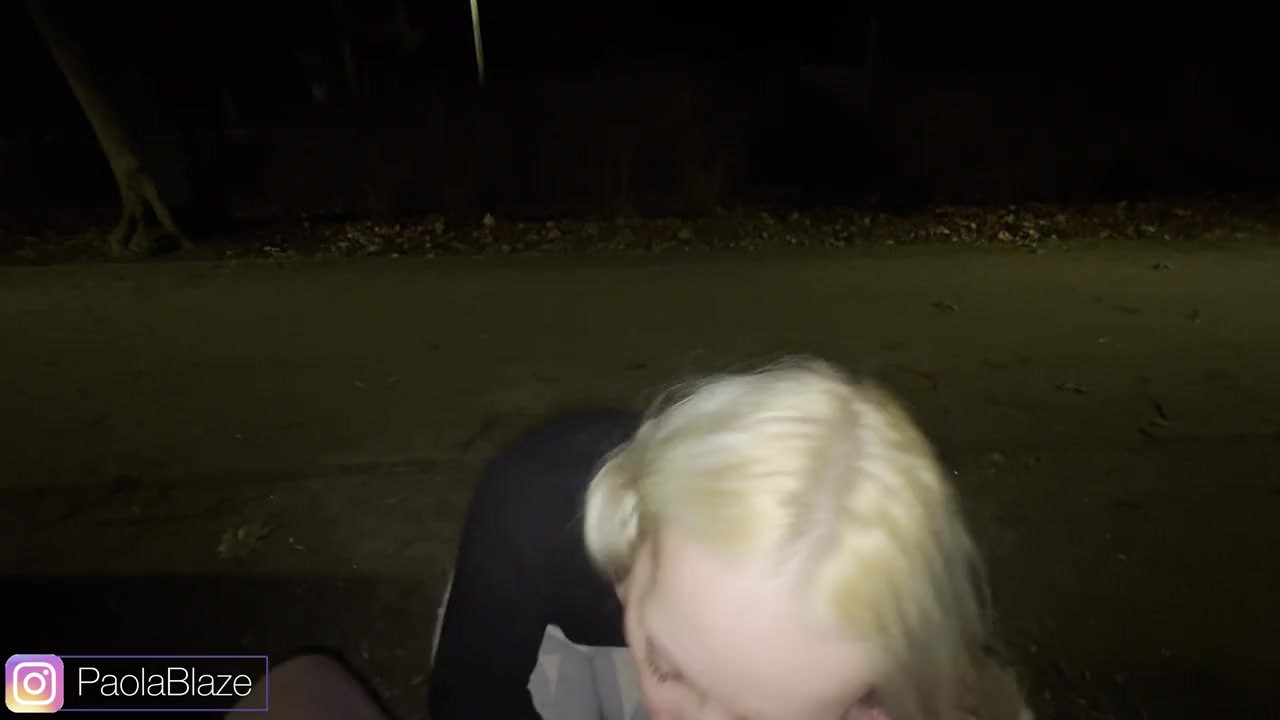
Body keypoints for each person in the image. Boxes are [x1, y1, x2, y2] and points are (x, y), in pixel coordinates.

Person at [429, 356, 1034, 720]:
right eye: (667, 667)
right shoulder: (530, 508)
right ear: (634, 546)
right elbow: (470, 704)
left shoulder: (913, 679)